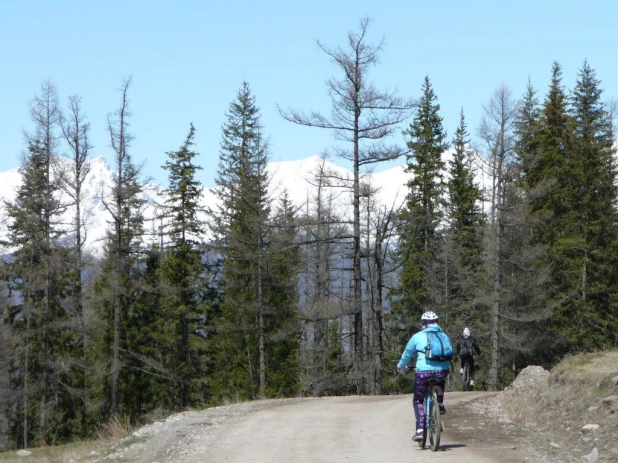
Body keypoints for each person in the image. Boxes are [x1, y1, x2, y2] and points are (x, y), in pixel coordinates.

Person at [397, 311, 451, 442]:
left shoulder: (417, 336)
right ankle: (439, 403)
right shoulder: (443, 335)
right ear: (437, 322)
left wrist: (400, 366)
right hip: (442, 371)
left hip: (423, 373)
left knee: (418, 399)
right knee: (440, 379)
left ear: (423, 324)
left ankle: (420, 429)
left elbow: (407, 354)